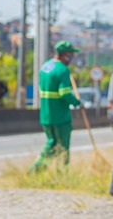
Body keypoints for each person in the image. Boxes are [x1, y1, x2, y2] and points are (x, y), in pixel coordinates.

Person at [31, 40, 82, 171]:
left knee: (51, 142)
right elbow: (64, 93)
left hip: (46, 115)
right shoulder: (63, 70)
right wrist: (76, 102)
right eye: (71, 54)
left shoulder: (45, 67)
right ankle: (60, 172)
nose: (72, 58)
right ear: (65, 55)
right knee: (62, 147)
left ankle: (39, 167)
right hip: (60, 116)